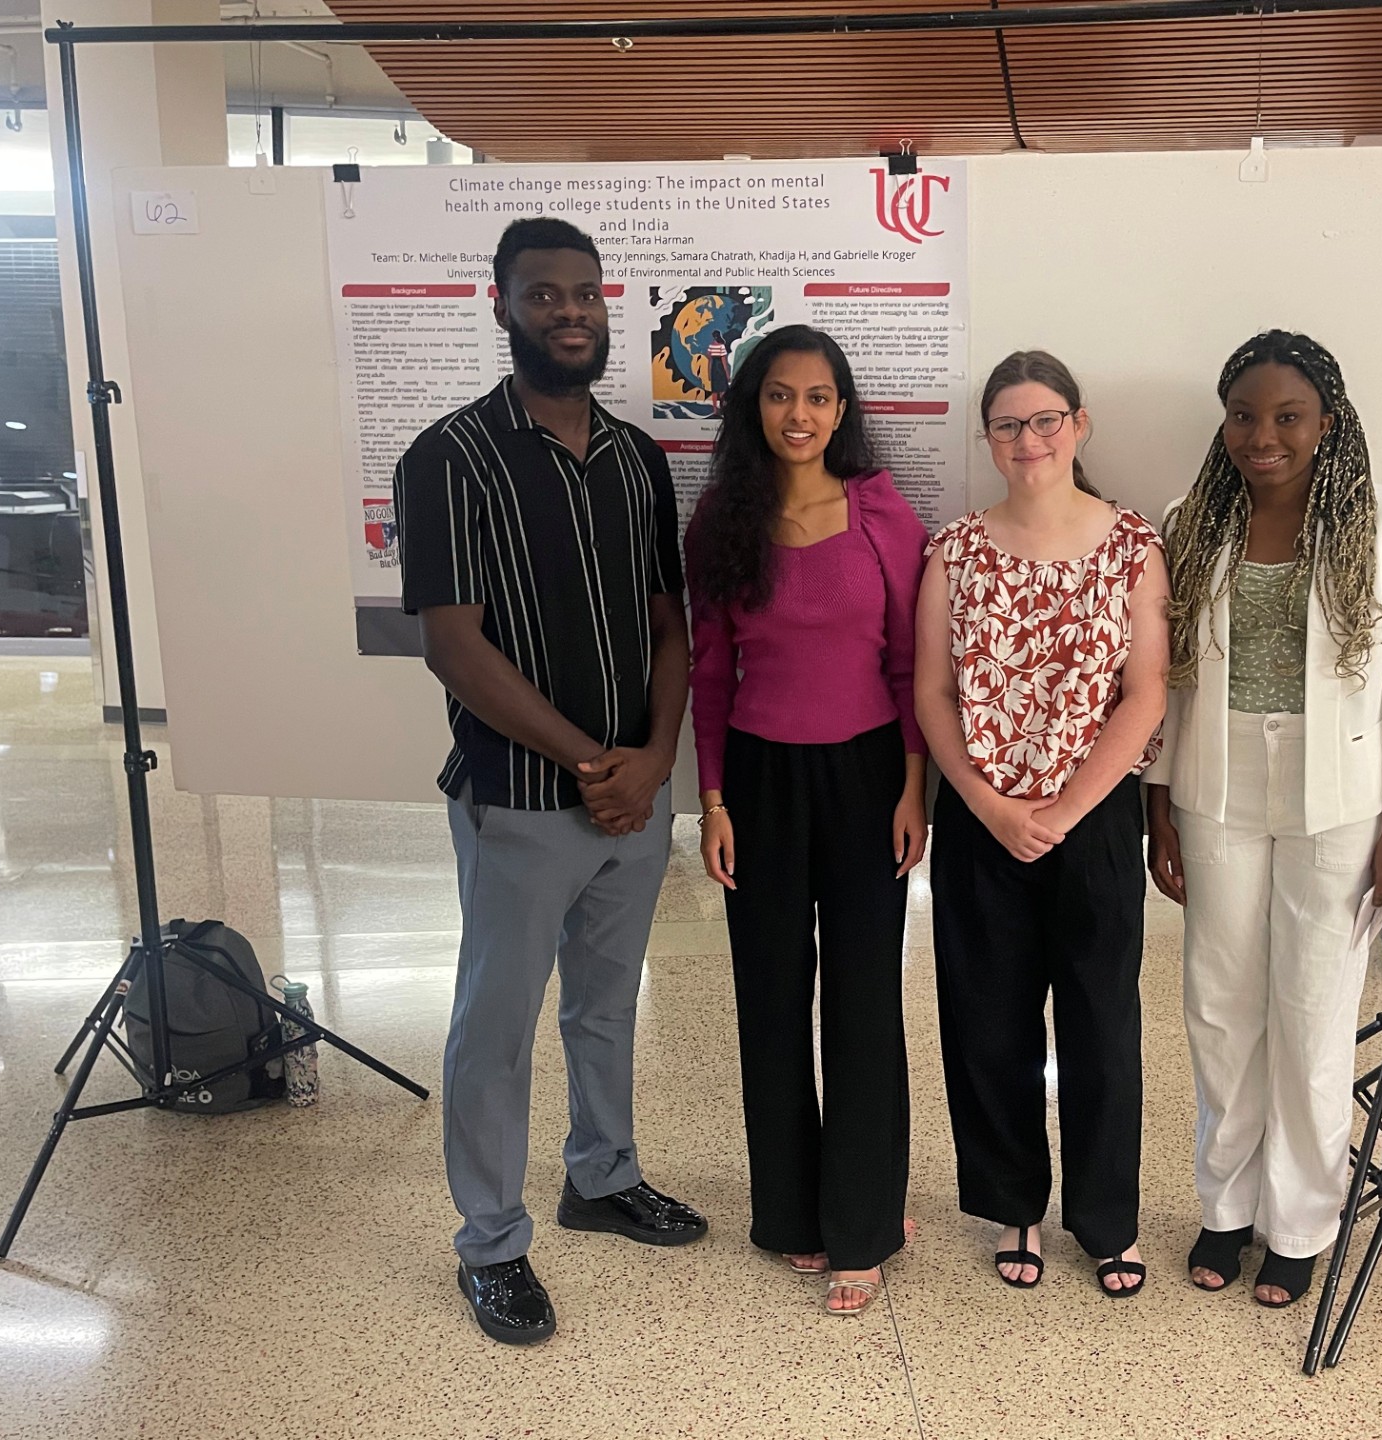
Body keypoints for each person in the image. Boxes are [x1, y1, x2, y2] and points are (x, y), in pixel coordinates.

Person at [394, 216, 707, 1347]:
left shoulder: (638, 458)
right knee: (497, 1023)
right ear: (503, 305)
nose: (568, 312)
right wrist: (589, 762)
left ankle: (602, 1177)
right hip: (522, 801)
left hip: (635, 799)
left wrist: (655, 761)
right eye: (543, 295)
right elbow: (452, 644)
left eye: (584, 294)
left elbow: (669, 623)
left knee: (606, 1005)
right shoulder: (449, 456)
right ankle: (490, 1241)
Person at [1142, 330, 1382, 1308]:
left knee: (1313, 1016)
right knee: (1221, 1010)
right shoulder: (1191, 520)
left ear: (1327, 422)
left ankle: (1302, 1221)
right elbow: (1169, 678)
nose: (1262, 435)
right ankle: (1227, 1208)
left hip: (1340, 800)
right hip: (1216, 787)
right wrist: (1158, 806)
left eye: (1287, 416)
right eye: (1244, 415)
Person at [915, 350, 1170, 1298]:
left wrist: (1064, 809)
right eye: (1008, 425)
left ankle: (1106, 1219)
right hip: (983, 820)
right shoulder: (955, 552)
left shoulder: (1133, 546)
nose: (1029, 440)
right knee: (990, 1021)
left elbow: (1146, 693)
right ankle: (1013, 1201)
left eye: (1045, 420)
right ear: (988, 438)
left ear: (1079, 424)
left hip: (1093, 822)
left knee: (1103, 1024)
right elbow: (932, 693)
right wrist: (991, 806)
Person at [686, 325, 929, 1317]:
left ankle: (864, 1224)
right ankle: (790, 1209)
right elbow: (709, 670)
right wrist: (711, 801)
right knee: (771, 996)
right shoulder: (721, 520)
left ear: (842, 409)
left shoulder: (883, 515)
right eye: (780, 395)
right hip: (758, 781)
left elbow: (910, 664)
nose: (799, 414)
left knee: (864, 1000)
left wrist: (914, 789)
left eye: (819, 396)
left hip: (870, 776)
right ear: (754, 407)